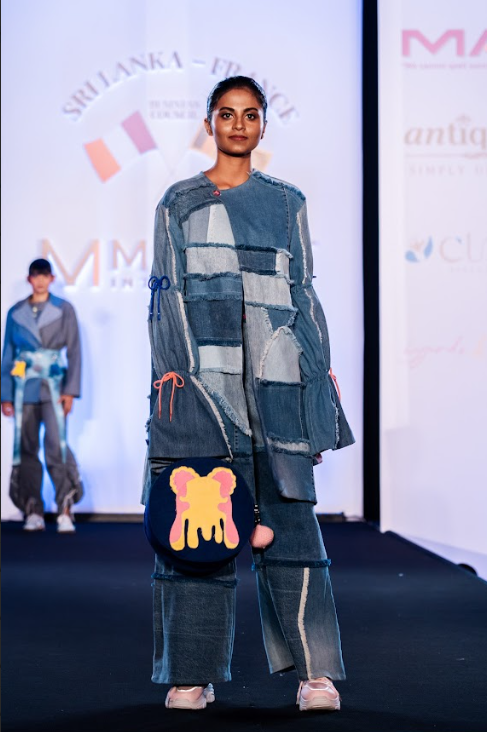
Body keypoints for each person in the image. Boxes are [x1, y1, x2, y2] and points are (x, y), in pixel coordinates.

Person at [144, 76, 355, 712]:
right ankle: (191, 674)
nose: (239, 124)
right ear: (209, 123)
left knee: (293, 529)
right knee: (196, 532)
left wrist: (317, 392)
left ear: (264, 124)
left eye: (251, 114)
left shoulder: (287, 203)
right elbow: (165, 298)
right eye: (227, 113)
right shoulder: (178, 203)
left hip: (278, 381)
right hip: (203, 390)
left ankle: (315, 675)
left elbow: (304, 295)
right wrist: (174, 392)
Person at [1, 258, 83, 533]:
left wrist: (70, 391)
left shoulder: (64, 309)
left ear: (51, 278)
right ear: (29, 279)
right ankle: (33, 509)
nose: (40, 280)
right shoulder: (15, 312)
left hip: (54, 387)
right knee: (26, 448)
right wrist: (6, 394)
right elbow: (8, 354)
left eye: (44, 275)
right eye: (35, 276)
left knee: (56, 446)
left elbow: (74, 350)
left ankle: (65, 508)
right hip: (24, 388)